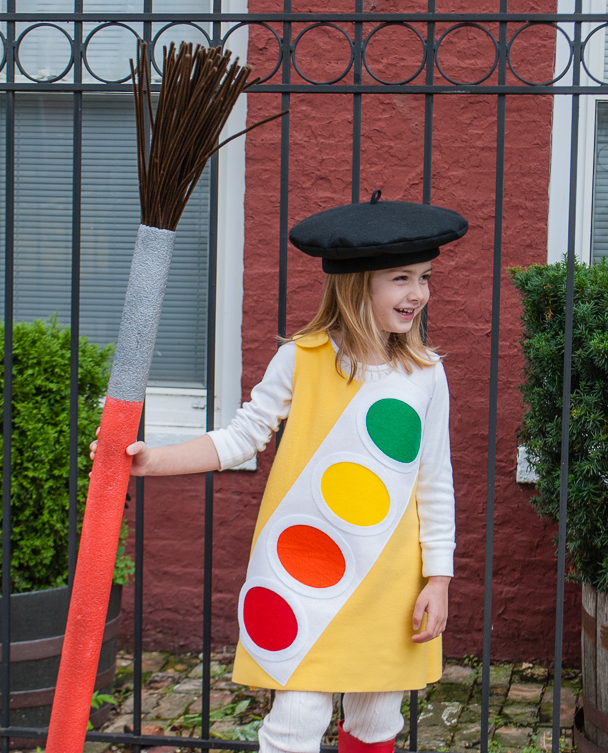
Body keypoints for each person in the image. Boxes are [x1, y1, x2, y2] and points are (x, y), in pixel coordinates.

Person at [91, 192, 468, 753]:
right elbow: (242, 437)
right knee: (294, 720)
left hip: (387, 574)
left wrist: (438, 578)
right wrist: (156, 460)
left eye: (424, 277)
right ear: (356, 282)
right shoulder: (302, 357)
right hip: (302, 568)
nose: (418, 293)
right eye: (401, 278)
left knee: (375, 716)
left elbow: (435, 479)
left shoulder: (425, 373)